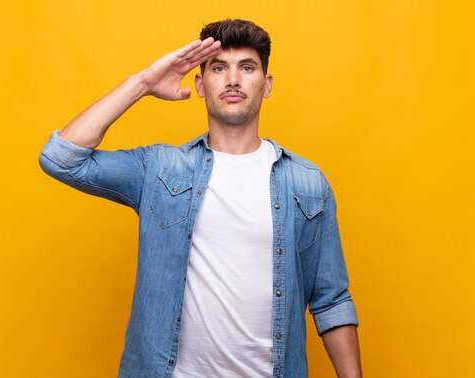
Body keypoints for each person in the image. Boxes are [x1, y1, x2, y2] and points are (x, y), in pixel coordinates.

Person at [39, 19, 361, 378]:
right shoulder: (161, 170)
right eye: (219, 68)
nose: (233, 80)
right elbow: (61, 158)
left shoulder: (307, 184)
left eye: (247, 68)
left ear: (266, 85)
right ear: (200, 84)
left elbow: (332, 301)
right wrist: (143, 83)